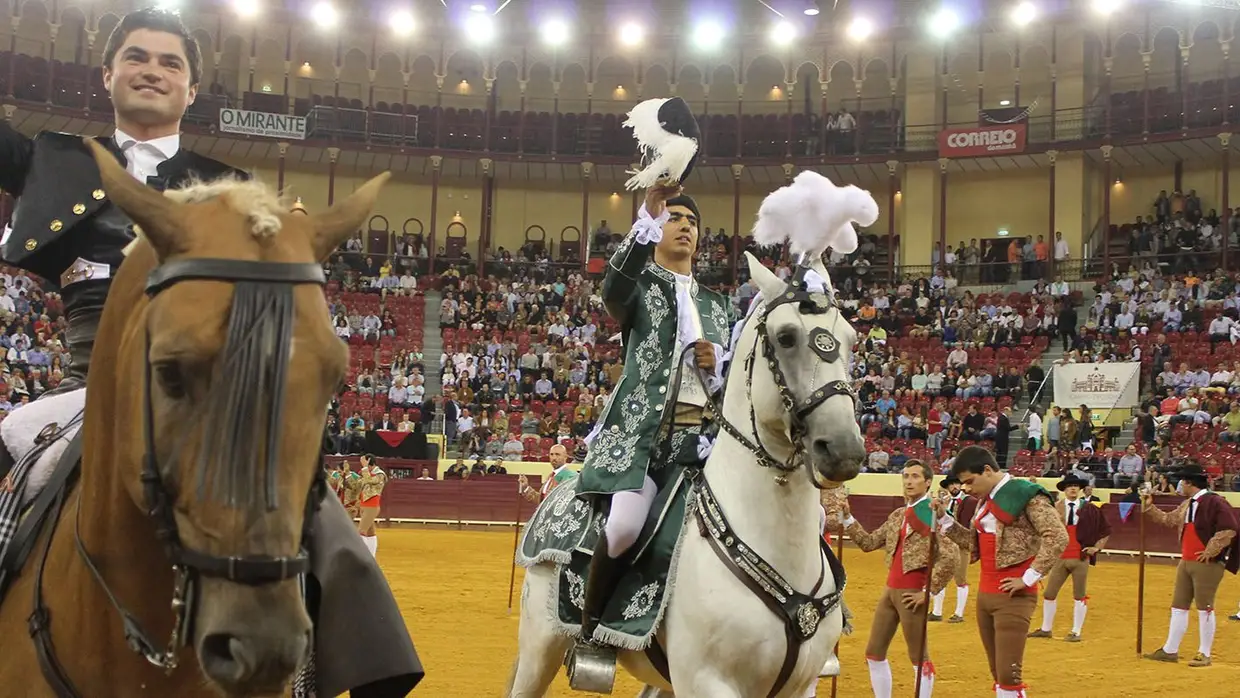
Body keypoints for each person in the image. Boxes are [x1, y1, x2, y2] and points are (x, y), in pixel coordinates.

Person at [0, 10, 423, 695]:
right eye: (136, 57)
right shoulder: (51, 158)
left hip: (203, 382)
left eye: (171, 63)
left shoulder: (229, 183)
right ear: (107, 75)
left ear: (192, 91)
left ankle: (339, 665)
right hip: (82, 385)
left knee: (305, 506)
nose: (152, 70)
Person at [572, 179, 732, 657]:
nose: (685, 227)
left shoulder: (718, 305)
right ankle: (591, 630)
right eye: (675, 219)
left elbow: (727, 389)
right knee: (622, 528)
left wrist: (717, 365)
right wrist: (647, 212)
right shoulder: (638, 287)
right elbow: (612, 285)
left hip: (700, 446)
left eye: (692, 222)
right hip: (642, 444)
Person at [935, 446, 1068, 698]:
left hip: (1013, 596)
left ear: (987, 470)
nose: (966, 489)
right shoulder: (986, 500)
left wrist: (1029, 576)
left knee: (1009, 674)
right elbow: (974, 545)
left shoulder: (1027, 495)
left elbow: (1057, 536)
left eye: (969, 481)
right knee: (998, 672)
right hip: (986, 594)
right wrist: (944, 519)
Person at [841, 461, 957, 698]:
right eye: (905, 476)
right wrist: (848, 519)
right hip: (890, 591)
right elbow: (869, 542)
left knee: (919, 658)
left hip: (911, 593)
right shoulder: (898, 514)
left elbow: (951, 556)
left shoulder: (932, 513)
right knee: (873, 653)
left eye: (915, 477)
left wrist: (928, 591)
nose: (909, 481)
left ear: (927, 483)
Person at [1141, 464, 1240, 667]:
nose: (1179, 485)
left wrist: (1211, 550)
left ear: (1189, 483)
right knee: (1179, 607)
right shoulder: (1188, 504)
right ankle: (1170, 650)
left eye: (1181, 482)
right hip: (1186, 561)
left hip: (1207, 563)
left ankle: (1204, 653)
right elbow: (1169, 520)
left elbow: (1229, 529)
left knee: (1205, 608)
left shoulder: (1215, 502)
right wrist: (1149, 507)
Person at [1028, 473, 1111, 641]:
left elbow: (1106, 531)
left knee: (1079, 594)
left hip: (1080, 557)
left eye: (1075, 485)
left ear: (1080, 489)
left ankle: (1076, 631)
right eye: (1069, 485)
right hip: (1059, 557)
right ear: (1064, 489)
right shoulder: (1055, 508)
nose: (1072, 488)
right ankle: (1046, 629)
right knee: (1049, 593)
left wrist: (1096, 548)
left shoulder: (1090, 509)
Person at [930, 474, 977, 623]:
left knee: (960, 578)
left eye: (956, 484)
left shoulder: (970, 501)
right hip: (944, 544)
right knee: (940, 576)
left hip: (960, 544)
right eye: (951, 485)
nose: (954, 487)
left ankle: (959, 613)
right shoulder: (946, 501)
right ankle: (937, 612)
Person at [356, 454, 387, 558]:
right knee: (370, 532)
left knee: (361, 531)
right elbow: (359, 484)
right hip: (364, 504)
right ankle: (371, 557)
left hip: (372, 505)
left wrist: (365, 467)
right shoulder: (367, 473)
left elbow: (370, 480)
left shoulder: (380, 474)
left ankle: (362, 557)